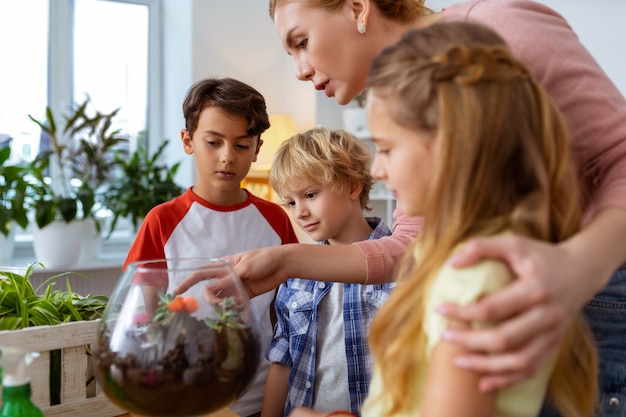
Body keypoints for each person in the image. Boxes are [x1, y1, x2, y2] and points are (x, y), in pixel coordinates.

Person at [219, 1, 626, 414]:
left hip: (597, 289)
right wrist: (287, 261)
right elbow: (411, 247)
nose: (300, 70)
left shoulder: (497, 25)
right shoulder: (411, 103)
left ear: (358, 8)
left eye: (302, 42)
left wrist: (576, 267)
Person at [123, 77, 299, 417]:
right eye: (213, 142)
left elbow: (286, 316)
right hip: (186, 397)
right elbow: (148, 322)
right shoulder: (162, 221)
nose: (227, 157)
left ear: (258, 149)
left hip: (261, 396)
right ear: (188, 141)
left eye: (242, 145)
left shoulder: (276, 219)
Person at [260, 126, 394, 417]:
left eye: (310, 194)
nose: (299, 212)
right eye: (291, 202)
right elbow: (283, 359)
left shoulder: (400, 268)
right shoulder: (297, 271)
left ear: (352, 185)